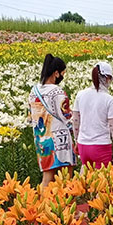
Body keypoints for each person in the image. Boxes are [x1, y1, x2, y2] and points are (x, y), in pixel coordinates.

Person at [29, 54, 75, 187]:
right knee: (65, 180)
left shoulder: (33, 91)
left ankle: (44, 207)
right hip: (60, 139)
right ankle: (64, 206)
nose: (63, 76)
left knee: (47, 179)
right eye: (62, 73)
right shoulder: (58, 92)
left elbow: (30, 117)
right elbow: (67, 116)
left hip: (41, 139)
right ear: (56, 73)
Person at [73, 62, 113, 170]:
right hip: (101, 146)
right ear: (107, 78)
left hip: (83, 145)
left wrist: (76, 141)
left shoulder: (80, 95)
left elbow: (76, 121)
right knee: (101, 182)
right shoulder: (109, 99)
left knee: (85, 181)